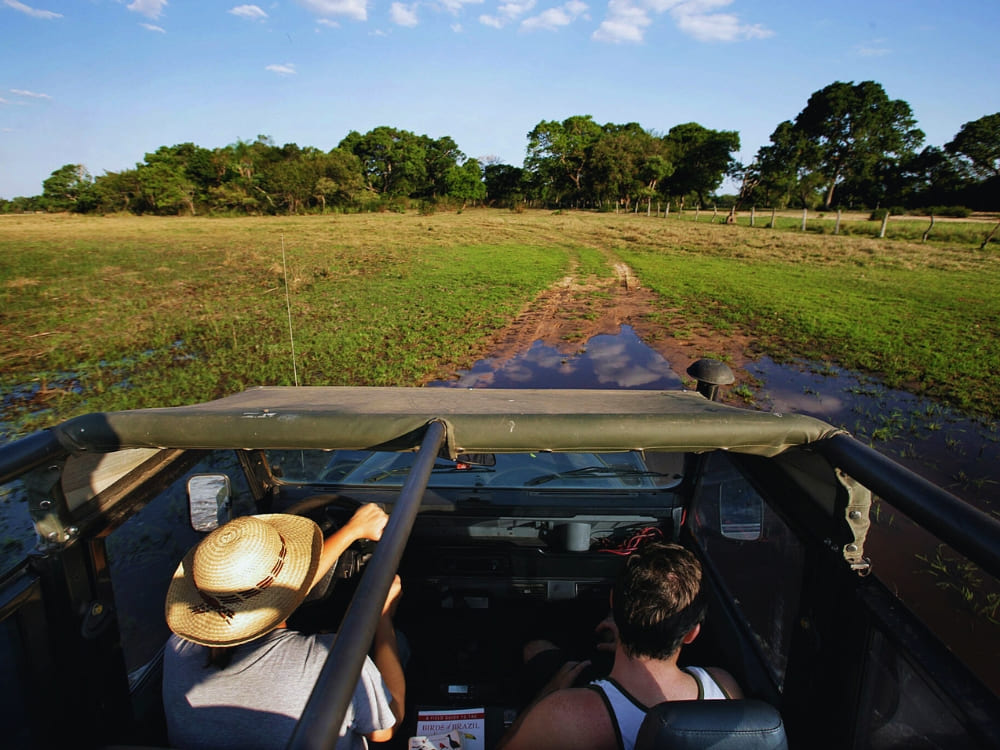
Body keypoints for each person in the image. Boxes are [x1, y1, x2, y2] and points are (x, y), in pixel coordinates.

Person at [162, 504, 405, 750]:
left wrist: (352, 531)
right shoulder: (334, 662)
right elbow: (386, 729)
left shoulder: (178, 650)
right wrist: (382, 620)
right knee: (400, 646)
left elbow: (261, 596)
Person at [498, 541, 742, 750]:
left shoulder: (565, 714)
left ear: (613, 601)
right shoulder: (724, 689)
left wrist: (547, 694)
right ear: (691, 634)